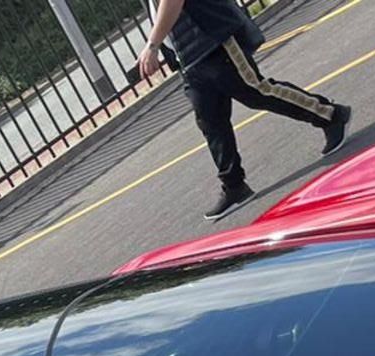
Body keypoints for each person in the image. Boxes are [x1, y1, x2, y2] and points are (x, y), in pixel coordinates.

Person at [139, 0, 352, 220]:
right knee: (210, 121)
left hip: (214, 41)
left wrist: (153, 45)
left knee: (258, 91)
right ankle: (234, 185)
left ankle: (331, 115)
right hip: (189, 59)